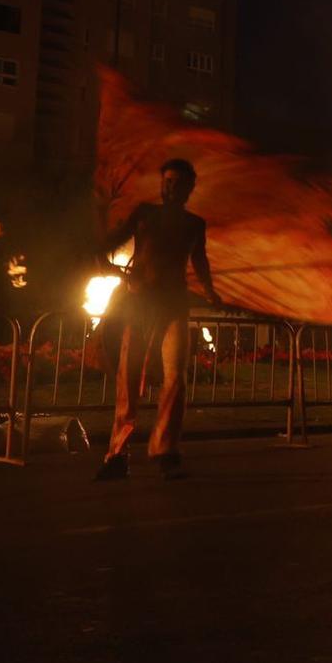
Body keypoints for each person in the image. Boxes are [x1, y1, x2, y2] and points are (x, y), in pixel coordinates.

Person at [94, 157, 222, 481]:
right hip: (139, 306)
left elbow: (200, 262)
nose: (171, 188)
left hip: (174, 306)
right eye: (167, 181)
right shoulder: (144, 214)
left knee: (175, 379)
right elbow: (111, 242)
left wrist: (210, 292)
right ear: (161, 184)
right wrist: (101, 257)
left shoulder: (195, 224)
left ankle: (166, 451)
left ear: (189, 188)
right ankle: (117, 455)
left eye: (178, 183)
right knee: (128, 379)